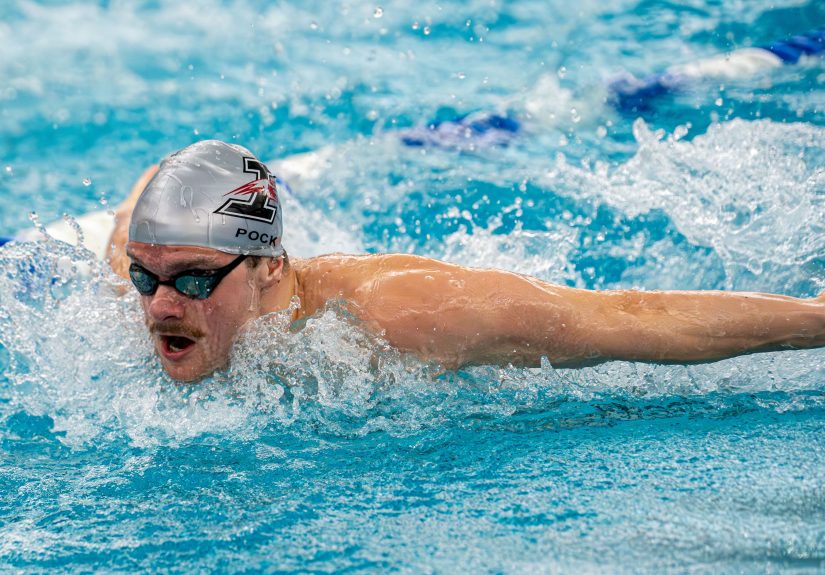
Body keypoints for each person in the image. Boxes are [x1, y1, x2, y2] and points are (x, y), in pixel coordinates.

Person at [109, 140, 825, 382]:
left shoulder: (398, 314)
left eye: (195, 280)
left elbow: (633, 316)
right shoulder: (147, 272)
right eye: (147, 278)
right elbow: (135, 215)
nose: (159, 307)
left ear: (269, 266)